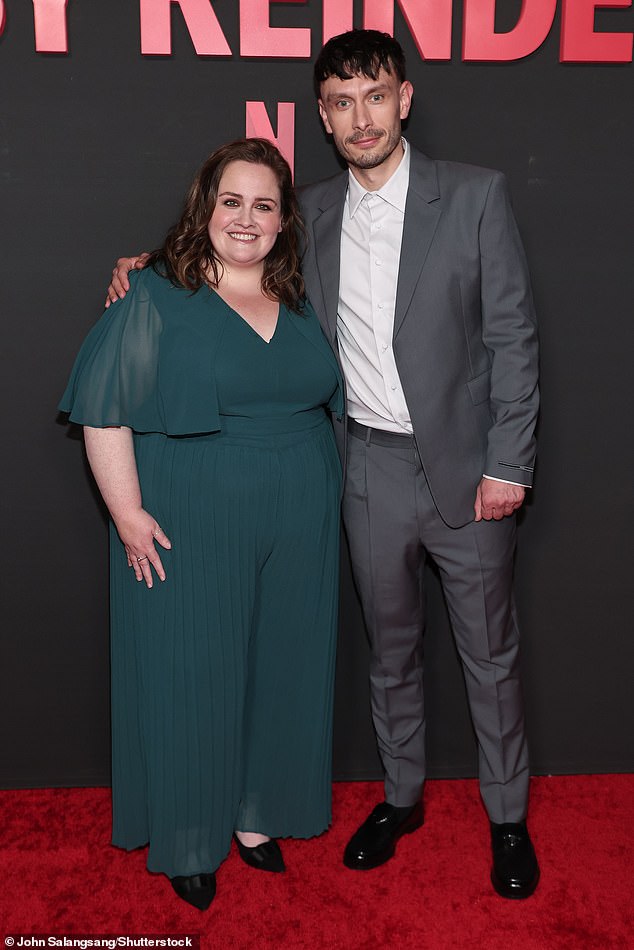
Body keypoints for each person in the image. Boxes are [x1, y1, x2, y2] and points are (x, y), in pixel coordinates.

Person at [108, 29, 540, 899]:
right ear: (323, 116)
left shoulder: (475, 198)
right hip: (363, 469)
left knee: (489, 654)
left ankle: (507, 820)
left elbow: (513, 340)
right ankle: (403, 798)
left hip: (466, 473)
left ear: (404, 99)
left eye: (374, 96)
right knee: (390, 653)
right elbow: (234, 259)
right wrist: (150, 266)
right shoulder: (313, 213)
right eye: (341, 103)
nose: (360, 117)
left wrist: (511, 463)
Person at [60, 138, 344, 911]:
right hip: (191, 514)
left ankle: (260, 816)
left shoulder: (303, 297)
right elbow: (104, 410)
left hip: (302, 518)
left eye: (263, 205)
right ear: (205, 209)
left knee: (284, 666)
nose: (245, 218)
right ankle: (189, 834)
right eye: (230, 201)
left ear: (284, 221)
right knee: (192, 670)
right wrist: (126, 513)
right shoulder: (154, 295)